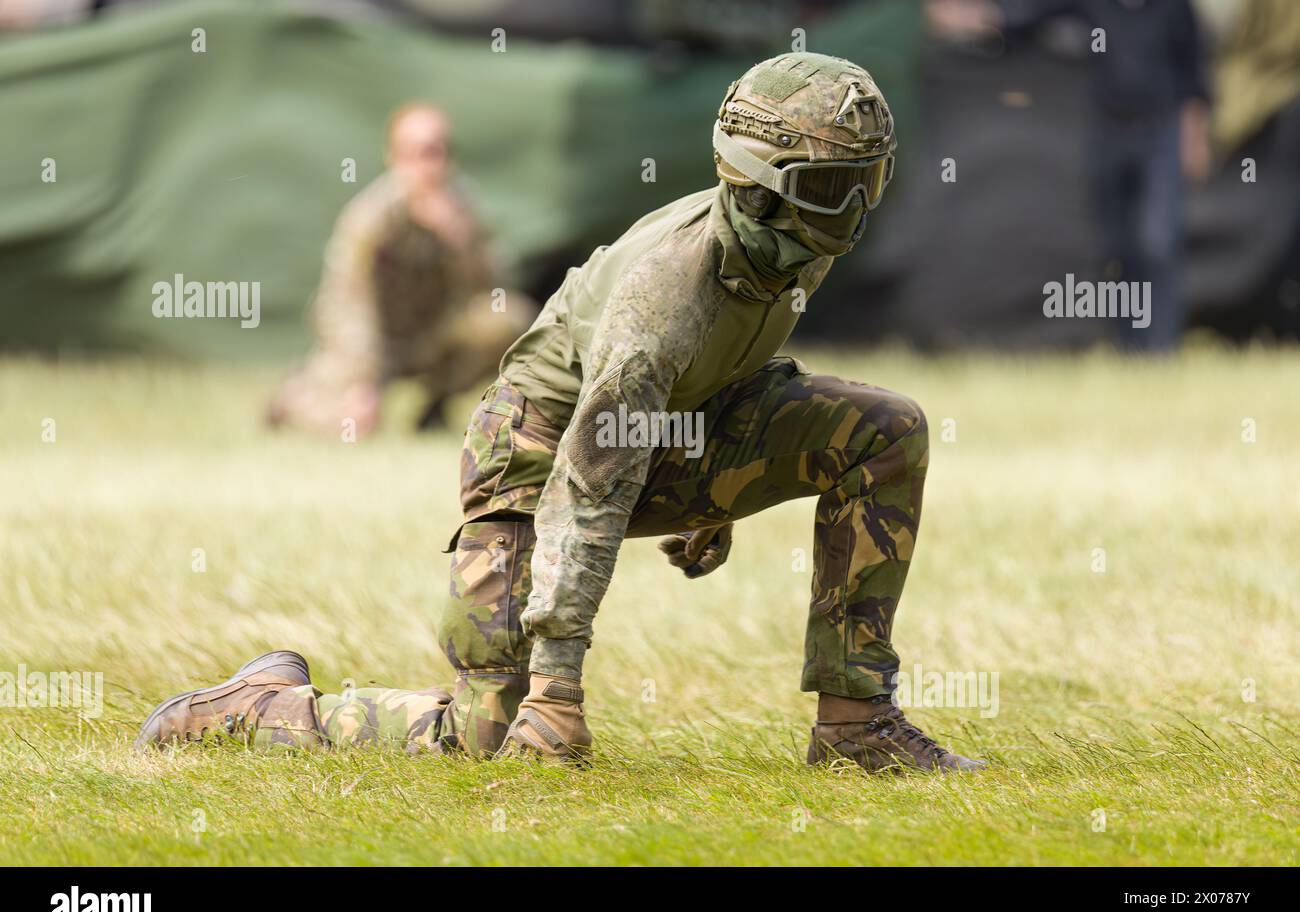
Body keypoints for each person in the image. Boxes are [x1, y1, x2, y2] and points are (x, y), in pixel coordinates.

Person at [138, 54, 985, 774]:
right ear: (759, 189)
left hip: (658, 434)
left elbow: (736, 352)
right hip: (536, 463)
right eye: (839, 186)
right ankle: (264, 706)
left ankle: (855, 725)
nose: (859, 205)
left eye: (870, 179)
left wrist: (722, 486)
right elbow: (588, 490)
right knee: (487, 734)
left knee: (886, 432)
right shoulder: (661, 301)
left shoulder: (794, 238)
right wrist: (557, 691)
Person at [928, 0, 1211, 350]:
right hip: (1111, 129)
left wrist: (1194, 138)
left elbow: (1193, 74)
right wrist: (976, 19)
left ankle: (1161, 346)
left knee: (1157, 240)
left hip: (1162, 132)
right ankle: (1129, 346)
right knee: (1116, 244)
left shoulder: (1172, 8)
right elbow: (1031, 16)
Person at [266, 103, 534, 435]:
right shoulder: (370, 218)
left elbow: (494, 291)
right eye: (416, 154)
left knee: (509, 321)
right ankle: (296, 401)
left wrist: (461, 244)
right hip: (371, 343)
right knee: (355, 425)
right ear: (394, 158)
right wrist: (364, 383)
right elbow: (347, 305)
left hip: (431, 336)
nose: (428, 166)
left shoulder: (462, 208)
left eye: (437, 152)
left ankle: (435, 408)